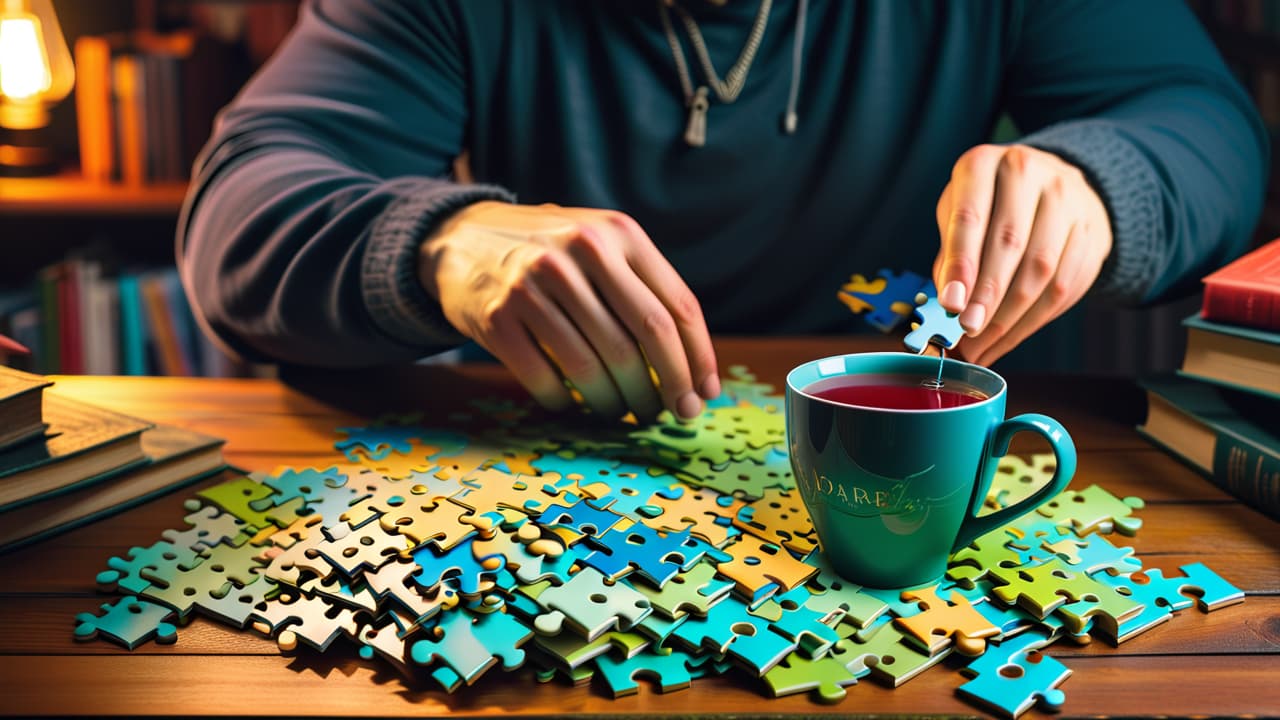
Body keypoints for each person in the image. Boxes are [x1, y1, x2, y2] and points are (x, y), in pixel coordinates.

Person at [179, 0, 1268, 423]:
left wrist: (1099, 182)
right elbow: (243, 203)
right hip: (578, 452)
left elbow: (1206, 132)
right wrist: (434, 246)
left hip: (910, 435)